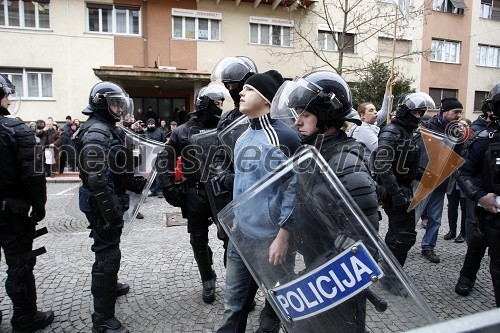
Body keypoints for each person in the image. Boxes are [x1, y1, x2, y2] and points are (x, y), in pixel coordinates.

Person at [271, 70, 379, 332]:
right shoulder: (314, 156)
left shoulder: (348, 163)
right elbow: (303, 207)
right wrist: (284, 235)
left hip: (338, 282)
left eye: (305, 115)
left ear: (328, 116)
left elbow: (365, 242)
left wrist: (315, 277)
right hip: (318, 270)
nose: (297, 123)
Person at [217, 70, 302, 333]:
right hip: (240, 239)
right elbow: (242, 184)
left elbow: (295, 190)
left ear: (266, 99)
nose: (240, 92)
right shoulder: (242, 137)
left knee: (277, 302)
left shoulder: (285, 137)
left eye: (249, 89)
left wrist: (284, 236)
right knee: (233, 305)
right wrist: (234, 220)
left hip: (272, 240)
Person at [75, 81, 146, 333]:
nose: (118, 109)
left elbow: (118, 168)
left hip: (108, 199)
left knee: (109, 250)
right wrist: (112, 211)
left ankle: (110, 286)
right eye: (114, 103)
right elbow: (96, 178)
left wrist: (138, 183)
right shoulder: (96, 131)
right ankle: (102, 319)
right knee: (107, 256)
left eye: (120, 104)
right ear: (100, 103)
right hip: (101, 202)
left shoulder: (106, 128)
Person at [156, 85, 228, 304]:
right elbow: (164, 160)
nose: (221, 107)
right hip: (195, 192)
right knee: (198, 239)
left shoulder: (225, 128)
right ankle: (208, 278)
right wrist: (168, 187)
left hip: (221, 191)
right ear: (205, 104)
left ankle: (237, 285)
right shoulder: (182, 131)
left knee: (230, 240)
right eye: (217, 103)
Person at [0, 74, 54, 332]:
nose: (9, 99)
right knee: (19, 263)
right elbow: (34, 175)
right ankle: (25, 316)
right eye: (6, 94)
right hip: (10, 211)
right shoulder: (15, 129)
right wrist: (39, 205)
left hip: (10, 207)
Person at [374, 92, 435, 268]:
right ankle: (392, 276)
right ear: (404, 111)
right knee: (404, 236)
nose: (419, 116)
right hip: (394, 190)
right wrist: (396, 193)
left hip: (404, 188)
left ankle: (388, 271)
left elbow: (404, 164)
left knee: (396, 233)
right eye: (415, 112)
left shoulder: (408, 132)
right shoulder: (392, 131)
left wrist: (422, 174)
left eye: (421, 113)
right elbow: (383, 165)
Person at [208, 56, 257, 265]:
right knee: (233, 255)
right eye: (227, 85)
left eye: (235, 85)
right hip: (234, 198)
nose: (231, 89)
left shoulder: (265, 114)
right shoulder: (227, 118)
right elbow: (219, 154)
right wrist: (223, 175)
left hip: (260, 196)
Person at [455, 83, 500, 305]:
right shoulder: (483, 138)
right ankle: (466, 276)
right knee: (479, 241)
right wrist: (480, 195)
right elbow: (462, 171)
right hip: (491, 210)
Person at [420, 97, 463, 263]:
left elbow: (458, 156)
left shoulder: (456, 132)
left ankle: (428, 247)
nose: (458, 115)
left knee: (435, 218)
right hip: (421, 179)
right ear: (444, 111)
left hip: (441, 183)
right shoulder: (426, 126)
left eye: (460, 112)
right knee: (410, 216)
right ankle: (400, 245)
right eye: (455, 112)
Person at [348, 75, 394, 164]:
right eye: (371, 110)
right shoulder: (362, 128)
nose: (375, 112)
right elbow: (379, 149)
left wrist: (388, 88)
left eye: (375, 109)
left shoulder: (371, 123)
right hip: (363, 169)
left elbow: (385, 110)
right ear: (363, 116)